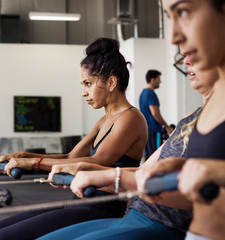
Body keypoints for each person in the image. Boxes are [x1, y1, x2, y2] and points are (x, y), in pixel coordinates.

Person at [0, 38, 148, 240]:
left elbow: (97, 161)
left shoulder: (130, 118)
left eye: (88, 84)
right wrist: (24, 156)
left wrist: (35, 162)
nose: (83, 92)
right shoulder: (104, 120)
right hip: (78, 201)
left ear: (111, 82)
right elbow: (71, 156)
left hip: (101, 209)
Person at [37, 52, 218, 240]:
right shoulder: (188, 118)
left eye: (195, 51)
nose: (186, 60)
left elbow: (201, 193)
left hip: (161, 225)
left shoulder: (133, 116)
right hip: (133, 214)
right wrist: (85, 168)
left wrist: (110, 175)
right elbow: (143, 170)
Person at [138, 1, 225, 240]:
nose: (174, 37)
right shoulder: (209, 103)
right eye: (169, 16)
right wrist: (180, 167)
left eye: (183, 12)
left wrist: (217, 171)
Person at [139, 69, 173, 159]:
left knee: (149, 157)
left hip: (146, 130)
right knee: (156, 157)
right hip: (154, 130)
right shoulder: (151, 93)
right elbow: (155, 113)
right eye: (158, 79)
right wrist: (166, 126)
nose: (160, 81)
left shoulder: (143, 94)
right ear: (152, 80)